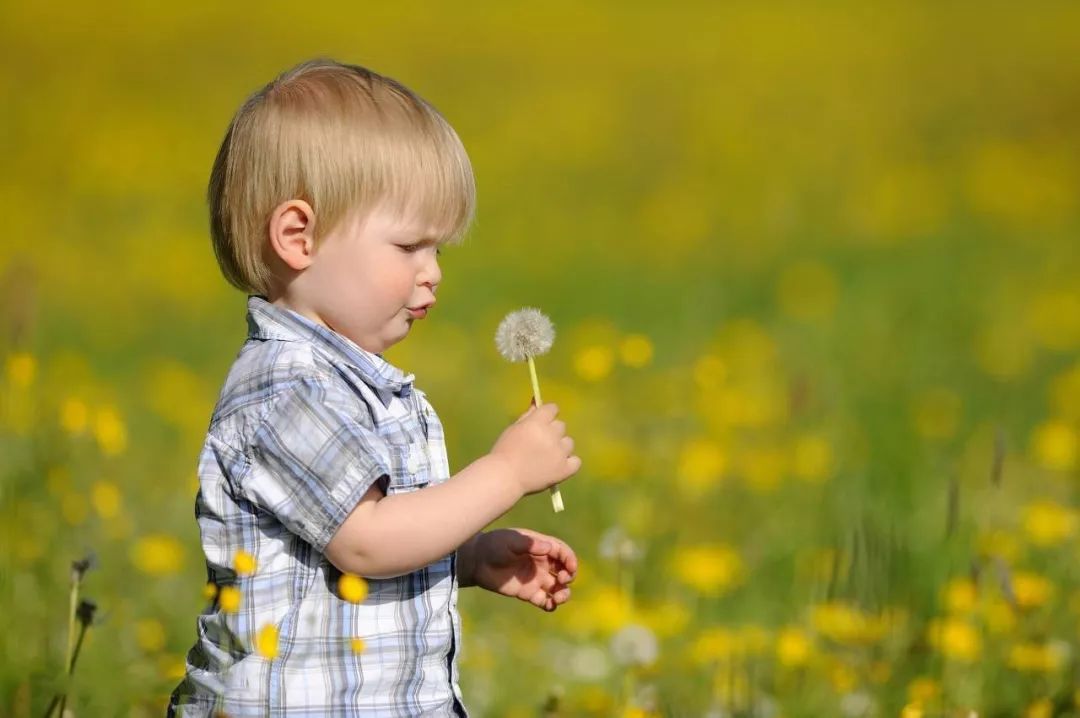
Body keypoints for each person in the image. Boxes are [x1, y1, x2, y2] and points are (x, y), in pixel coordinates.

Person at [168, 58, 581, 717]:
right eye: (410, 246)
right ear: (298, 237)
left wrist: (467, 558)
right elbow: (366, 541)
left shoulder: (353, 385)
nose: (434, 274)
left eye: (439, 250)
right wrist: (505, 473)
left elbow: (348, 556)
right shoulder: (285, 391)